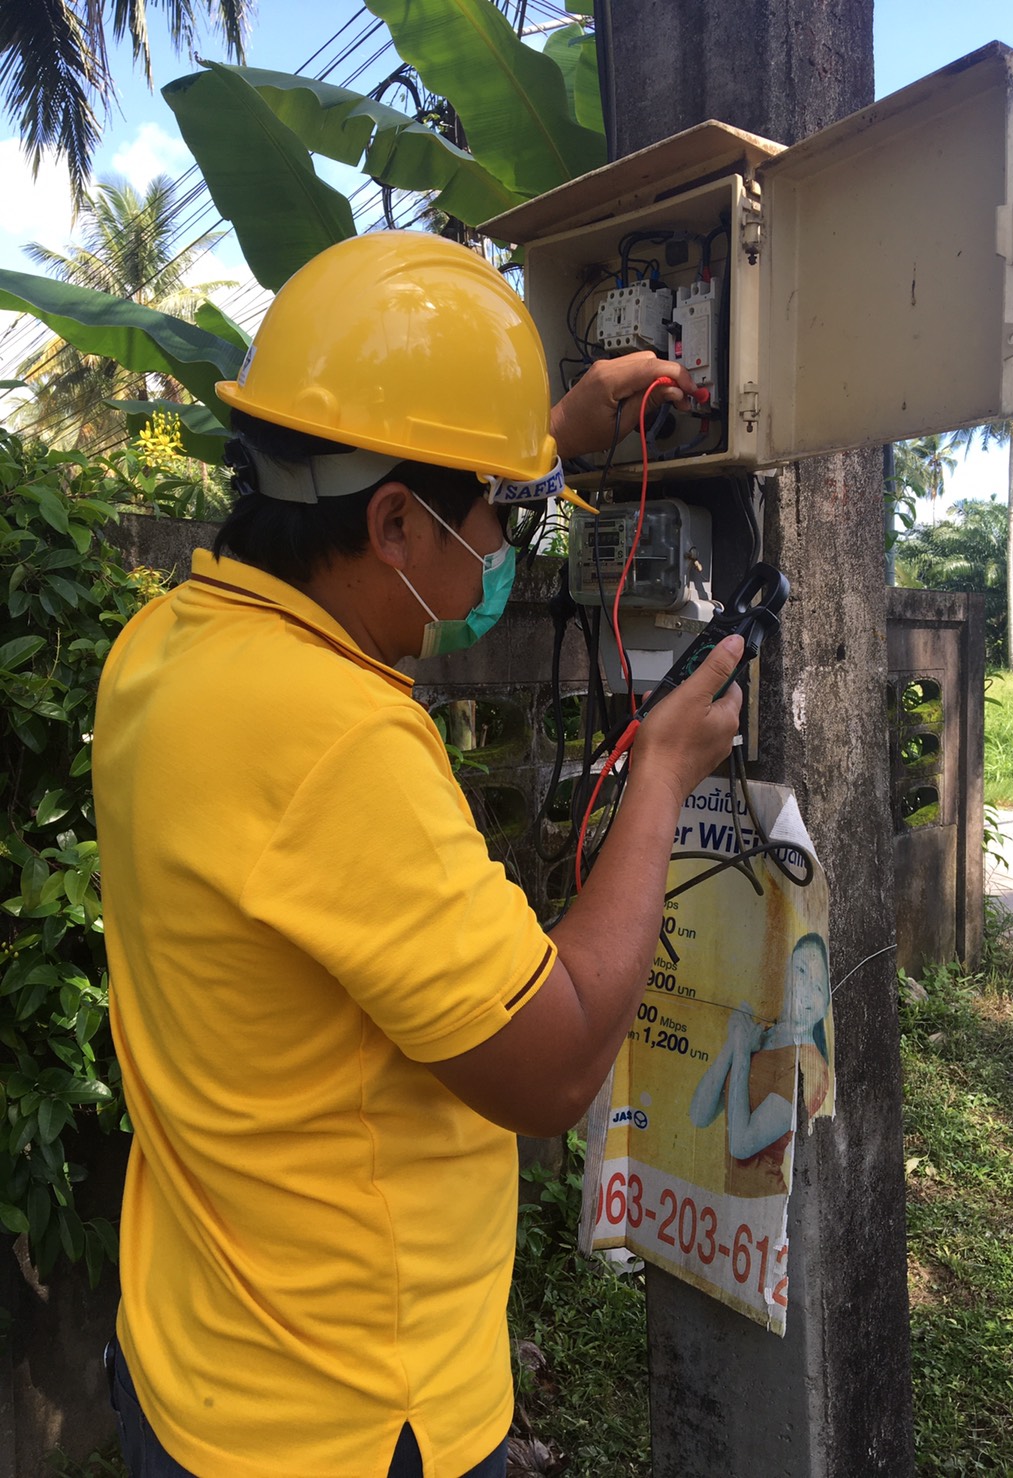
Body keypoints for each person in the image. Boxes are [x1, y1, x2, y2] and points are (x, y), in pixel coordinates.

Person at [93, 231, 744, 1478]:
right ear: (393, 520)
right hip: (347, 1417)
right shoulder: (336, 739)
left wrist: (541, 440)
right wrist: (658, 771)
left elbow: (406, 506)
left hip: (194, 1362)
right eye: (494, 512)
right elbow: (554, 1062)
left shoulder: (166, 645)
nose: (503, 544)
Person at [688, 932, 832, 1182]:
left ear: (826, 1006)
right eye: (800, 970)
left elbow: (742, 1145)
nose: (805, 989)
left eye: (818, 986)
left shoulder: (810, 1068)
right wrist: (734, 1043)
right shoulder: (763, 1034)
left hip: (760, 1200)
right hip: (724, 1195)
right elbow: (699, 1116)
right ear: (786, 972)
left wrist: (743, 1051)